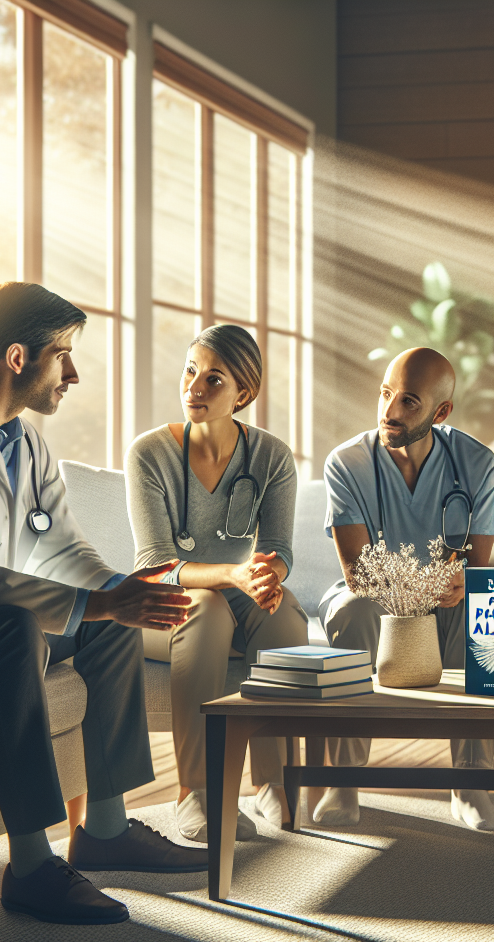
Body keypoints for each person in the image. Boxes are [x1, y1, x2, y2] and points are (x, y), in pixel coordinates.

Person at [0, 282, 208, 927]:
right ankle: (29, 867)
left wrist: (122, 596)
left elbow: (64, 548)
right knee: (19, 624)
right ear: (18, 357)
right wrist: (101, 603)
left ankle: (103, 828)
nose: (72, 373)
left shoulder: (27, 443)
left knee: (110, 625)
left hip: (11, 624)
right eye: (63, 355)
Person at [126, 325, 309, 842]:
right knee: (205, 610)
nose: (194, 389)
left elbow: (280, 548)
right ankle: (197, 791)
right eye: (190, 371)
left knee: (285, 612)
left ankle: (273, 781)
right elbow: (155, 564)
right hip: (160, 605)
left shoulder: (270, 457)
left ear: (242, 395)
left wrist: (268, 577)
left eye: (213, 379)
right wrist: (233, 574)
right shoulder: (149, 455)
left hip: (236, 590)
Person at [316, 347, 494, 831]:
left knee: (483, 606)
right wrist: (425, 586)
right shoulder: (347, 463)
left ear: (441, 413)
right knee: (355, 608)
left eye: (409, 402)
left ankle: (471, 785)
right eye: (385, 394)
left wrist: (459, 585)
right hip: (370, 601)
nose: (390, 412)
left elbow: (474, 567)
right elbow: (360, 573)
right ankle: (343, 781)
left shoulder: (477, 463)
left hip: (446, 601)